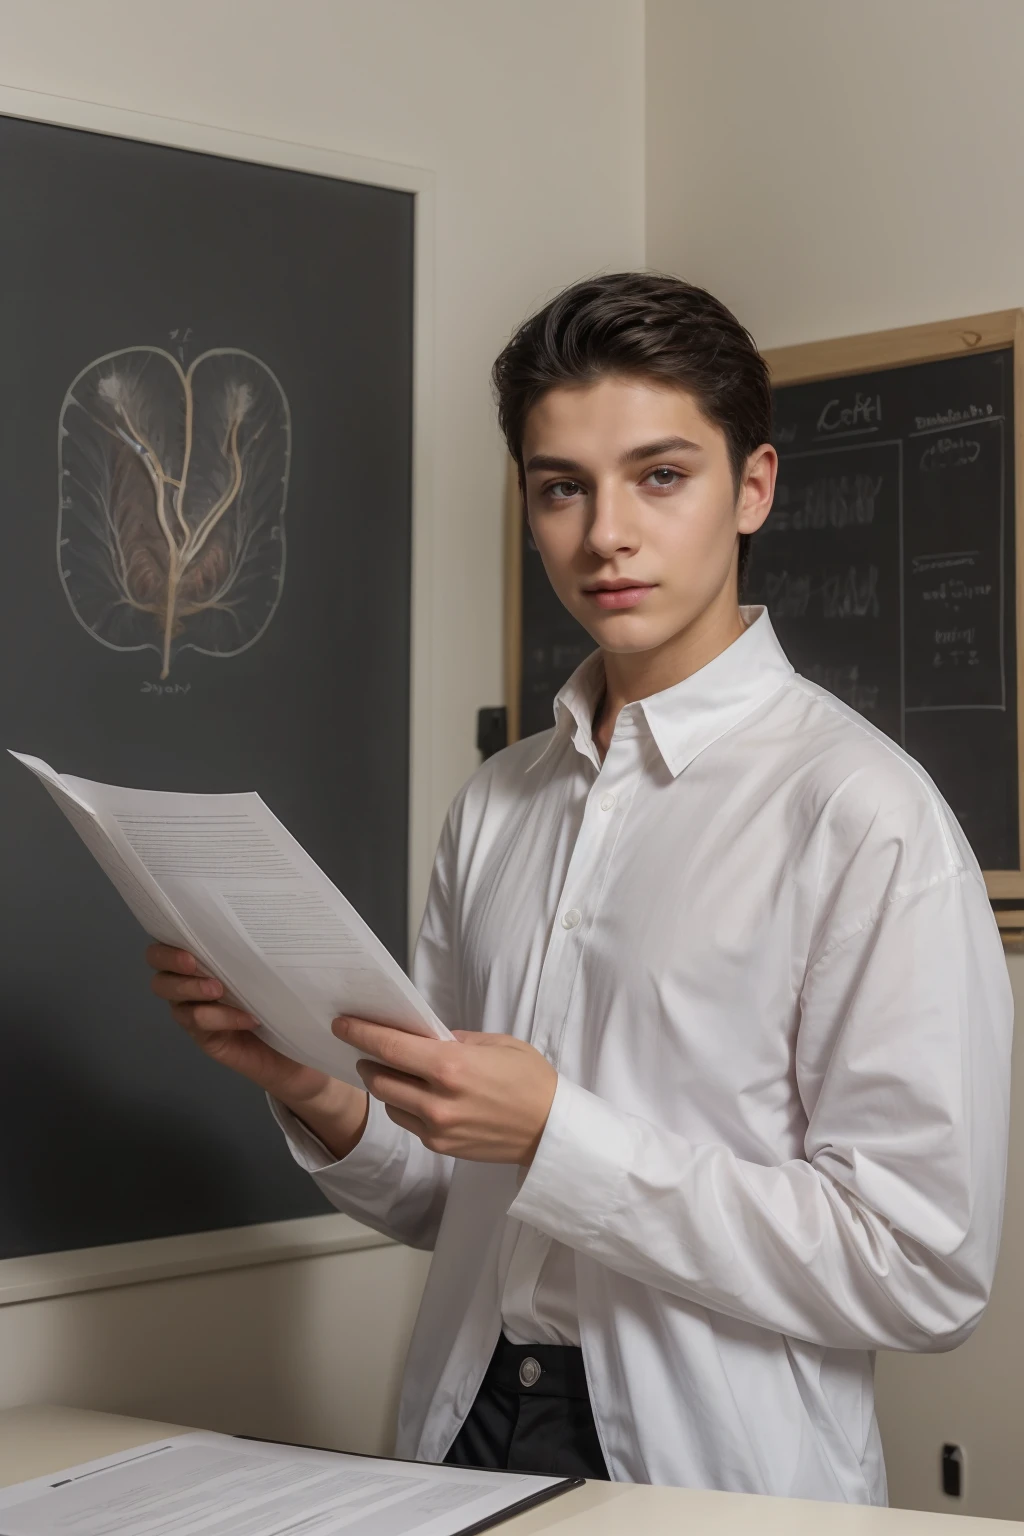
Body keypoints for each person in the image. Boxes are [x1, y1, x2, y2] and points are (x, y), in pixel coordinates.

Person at [147, 273, 1012, 1504]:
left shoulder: (864, 816)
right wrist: (312, 1090)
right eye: (563, 487)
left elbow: (922, 1266)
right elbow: (451, 1191)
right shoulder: (495, 803)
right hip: (462, 1423)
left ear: (751, 486)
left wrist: (563, 1135)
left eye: (661, 476)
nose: (605, 532)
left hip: (708, 1470)